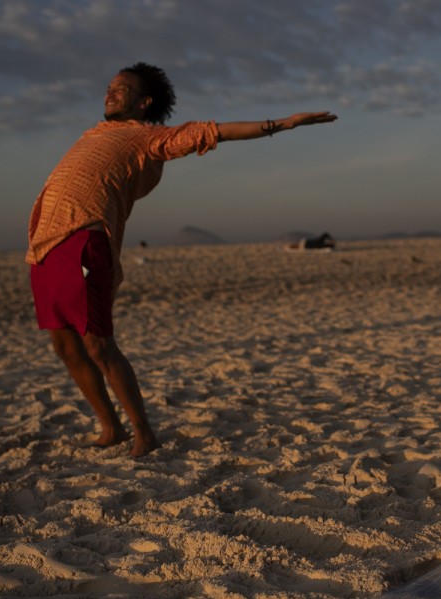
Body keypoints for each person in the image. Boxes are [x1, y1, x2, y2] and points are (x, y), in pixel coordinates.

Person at [26, 62, 337, 457]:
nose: (110, 92)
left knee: (98, 345)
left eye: (121, 88)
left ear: (144, 102)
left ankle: (144, 433)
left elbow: (215, 132)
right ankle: (111, 428)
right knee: (65, 347)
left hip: (85, 238)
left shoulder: (149, 138)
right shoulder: (94, 134)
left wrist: (283, 123)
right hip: (45, 245)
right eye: (109, 86)